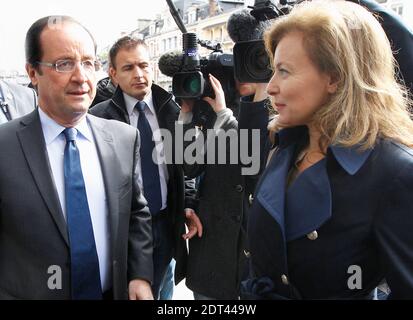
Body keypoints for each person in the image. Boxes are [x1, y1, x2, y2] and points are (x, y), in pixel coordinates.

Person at [242, 1, 413, 299]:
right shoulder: (283, 147)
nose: (270, 86)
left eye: (284, 71)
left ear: (334, 77)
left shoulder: (394, 170)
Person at [0, 16, 153, 300]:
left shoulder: (123, 138)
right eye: (64, 64)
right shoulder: (4, 147)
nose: (81, 77)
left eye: (88, 62)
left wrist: (139, 276)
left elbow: (136, 213)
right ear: (33, 73)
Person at [90, 36, 202, 300]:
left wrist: (187, 203)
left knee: (164, 291)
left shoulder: (174, 111)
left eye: (143, 65)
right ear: (113, 74)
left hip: (167, 221)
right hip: (123, 230)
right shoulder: (97, 118)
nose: (138, 74)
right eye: (128, 68)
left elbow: (182, 167)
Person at [179, 77, 269, 299]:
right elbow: (190, 167)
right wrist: (187, 114)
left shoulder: (277, 107)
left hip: (251, 245)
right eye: (237, 74)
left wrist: (224, 115)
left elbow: (251, 160)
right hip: (212, 248)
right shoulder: (211, 112)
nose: (243, 79)